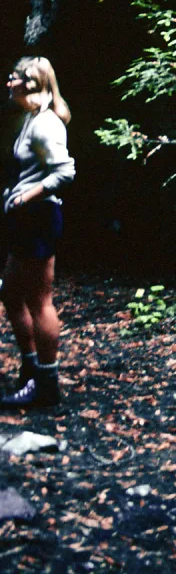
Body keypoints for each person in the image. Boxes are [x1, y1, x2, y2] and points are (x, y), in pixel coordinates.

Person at [1, 56, 75, 407]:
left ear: (31, 83)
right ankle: (31, 369)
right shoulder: (31, 119)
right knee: (12, 295)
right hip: (26, 219)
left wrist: (25, 198)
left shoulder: (46, 124)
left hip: (39, 218)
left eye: (13, 78)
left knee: (39, 301)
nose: (8, 83)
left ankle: (46, 384)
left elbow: (65, 173)